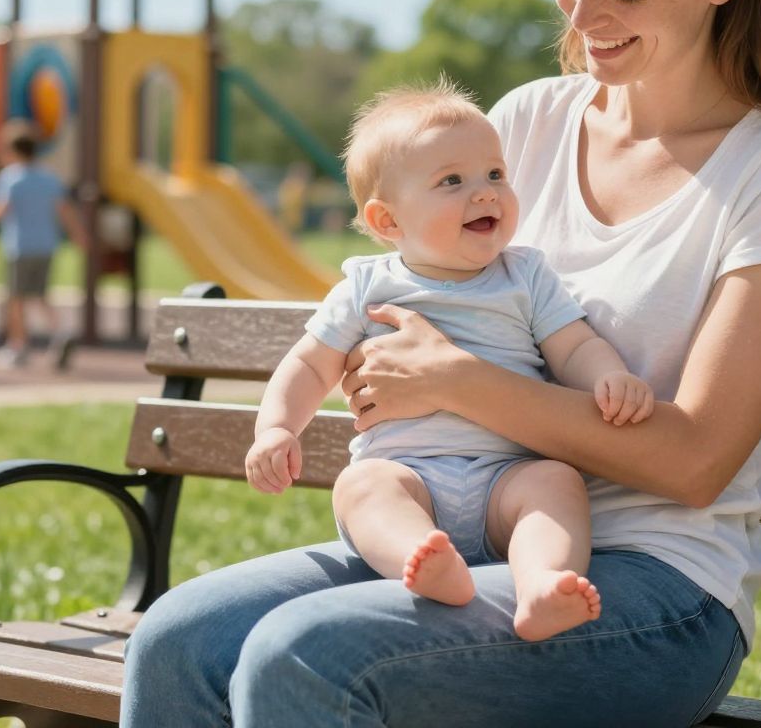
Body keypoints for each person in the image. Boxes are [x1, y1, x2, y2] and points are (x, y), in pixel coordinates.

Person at [122, 0, 761, 728]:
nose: (588, 16)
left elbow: (694, 462)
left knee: (310, 659)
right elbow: (409, 283)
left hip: (660, 591)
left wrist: (459, 382)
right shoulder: (527, 122)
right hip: (467, 535)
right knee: (178, 639)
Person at [247, 81, 654, 643]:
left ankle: (542, 583)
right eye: (452, 182)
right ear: (388, 222)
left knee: (556, 484)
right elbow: (310, 365)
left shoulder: (526, 276)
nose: (486, 194)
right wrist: (276, 428)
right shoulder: (367, 285)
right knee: (363, 487)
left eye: (495, 175)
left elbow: (574, 345)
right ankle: (422, 557)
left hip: (504, 479)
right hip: (409, 474)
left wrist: (608, 375)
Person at [0, 120, 85, 370]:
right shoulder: (49, 178)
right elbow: (65, 210)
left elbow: (0, 209)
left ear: (10, 151)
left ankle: (18, 346)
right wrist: (78, 235)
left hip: (20, 247)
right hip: (46, 246)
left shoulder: (10, 178)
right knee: (40, 294)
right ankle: (60, 331)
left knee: (16, 299)